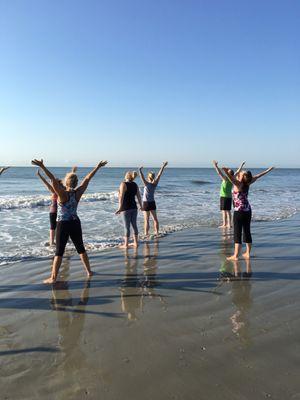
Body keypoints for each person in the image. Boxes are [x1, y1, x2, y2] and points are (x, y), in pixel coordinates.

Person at [31, 159, 108, 283]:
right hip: (75, 222)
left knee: (59, 251)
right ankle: (89, 271)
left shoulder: (62, 194)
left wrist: (43, 166)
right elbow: (88, 178)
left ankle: (53, 278)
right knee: (81, 248)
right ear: (76, 183)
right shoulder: (78, 192)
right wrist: (98, 166)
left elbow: (52, 180)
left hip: (63, 224)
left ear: (66, 182)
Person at [222, 166, 274, 260]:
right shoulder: (248, 183)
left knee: (237, 232)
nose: (240, 172)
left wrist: (226, 172)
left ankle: (236, 255)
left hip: (239, 212)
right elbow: (258, 176)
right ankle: (247, 253)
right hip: (248, 210)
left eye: (241, 172)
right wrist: (268, 170)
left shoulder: (238, 184)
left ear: (242, 177)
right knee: (247, 231)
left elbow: (231, 178)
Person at [212, 160, 245, 228]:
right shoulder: (233, 178)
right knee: (228, 211)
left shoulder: (226, 178)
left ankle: (225, 224)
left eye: (228, 171)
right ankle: (229, 224)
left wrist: (215, 166)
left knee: (224, 211)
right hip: (229, 196)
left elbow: (219, 173)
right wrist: (242, 165)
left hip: (224, 196)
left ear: (228, 174)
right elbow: (238, 171)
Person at [138, 161, 168, 236]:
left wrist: (140, 170)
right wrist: (163, 166)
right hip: (152, 203)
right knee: (155, 219)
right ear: (153, 177)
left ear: (148, 177)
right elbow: (159, 174)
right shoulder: (155, 184)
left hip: (145, 203)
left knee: (146, 220)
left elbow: (142, 177)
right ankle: (157, 232)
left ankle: (146, 234)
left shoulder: (146, 183)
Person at [116, 171, 143, 248]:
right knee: (134, 225)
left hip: (125, 208)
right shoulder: (135, 184)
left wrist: (119, 208)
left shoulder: (123, 184)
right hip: (134, 207)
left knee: (126, 227)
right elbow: (139, 196)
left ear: (126, 176)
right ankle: (136, 243)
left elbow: (121, 197)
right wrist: (141, 206)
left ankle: (126, 244)